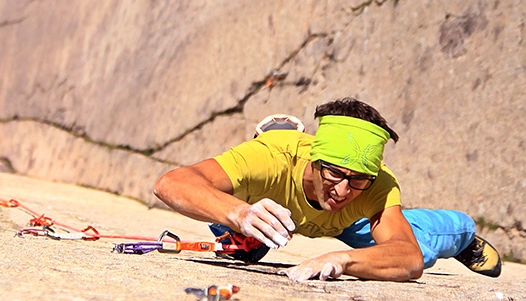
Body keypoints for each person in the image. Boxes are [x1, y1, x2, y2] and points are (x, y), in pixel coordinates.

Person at [153, 98, 501, 282]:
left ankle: (464, 233)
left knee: (422, 248)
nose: (344, 190)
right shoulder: (271, 156)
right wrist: (239, 214)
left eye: (359, 179)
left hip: (348, 223)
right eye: (334, 173)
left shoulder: (377, 183)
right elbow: (171, 183)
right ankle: (249, 222)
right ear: (314, 159)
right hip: (271, 200)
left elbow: (407, 257)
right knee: (236, 216)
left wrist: (343, 260)